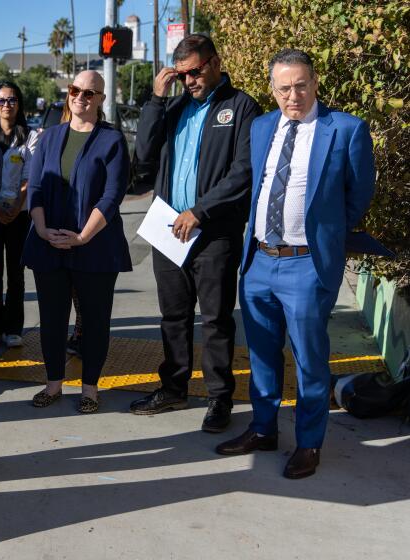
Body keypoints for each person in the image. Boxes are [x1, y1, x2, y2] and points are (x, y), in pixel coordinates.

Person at [216, 49, 375, 479]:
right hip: (259, 262)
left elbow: (358, 196)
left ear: (315, 82)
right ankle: (263, 429)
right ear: (272, 90)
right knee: (262, 355)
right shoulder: (263, 126)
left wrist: (328, 235)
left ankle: (308, 443)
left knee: (309, 359)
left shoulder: (345, 130)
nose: (294, 95)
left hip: (306, 264)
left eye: (301, 85)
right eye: (284, 88)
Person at [129, 34, 262, 433]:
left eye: (195, 71)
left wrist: (200, 211)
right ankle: (173, 388)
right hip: (169, 228)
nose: (189, 81)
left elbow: (244, 171)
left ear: (215, 63)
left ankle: (220, 398)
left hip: (214, 232)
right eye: (182, 74)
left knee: (216, 319)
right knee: (173, 316)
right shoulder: (173, 107)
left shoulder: (241, 108)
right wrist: (156, 99)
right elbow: (144, 156)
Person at [23, 70, 131, 414]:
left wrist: (84, 235)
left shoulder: (112, 141)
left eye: (89, 92)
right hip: (48, 242)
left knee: (96, 320)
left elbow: (113, 194)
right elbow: (36, 187)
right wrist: (41, 230)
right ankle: (52, 384)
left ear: (101, 99)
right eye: (75, 90)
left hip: (95, 246)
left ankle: (90, 388)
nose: (80, 97)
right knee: (52, 319)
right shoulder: (50, 137)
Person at [0, 81, 40, 352]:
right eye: (2, 100)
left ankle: (13, 328)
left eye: (12, 100)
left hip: (19, 213)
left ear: (19, 105)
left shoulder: (30, 137)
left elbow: (31, 176)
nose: (7, 105)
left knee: (16, 273)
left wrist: (17, 206)